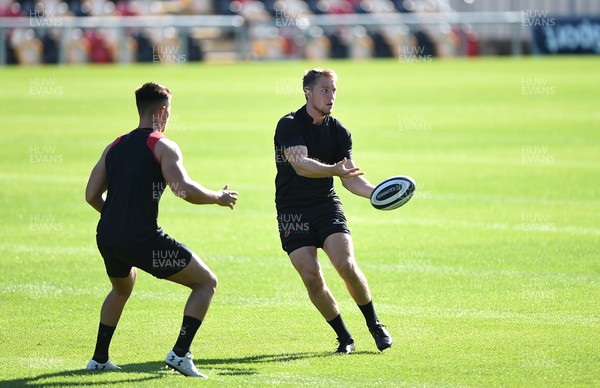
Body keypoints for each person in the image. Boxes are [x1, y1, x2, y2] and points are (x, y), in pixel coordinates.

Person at [85, 82, 238, 377]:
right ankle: (180, 354)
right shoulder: (162, 145)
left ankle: (99, 359)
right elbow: (183, 189)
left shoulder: (115, 145)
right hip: (140, 238)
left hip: (108, 235)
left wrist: (118, 218)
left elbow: (91, 195)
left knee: (121, 288)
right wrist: (217, 197)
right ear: (163, 112)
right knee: (206, 282)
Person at [274, 69, 392, 354]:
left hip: (325, 205)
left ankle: (375, 324)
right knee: (312, 277)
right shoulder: (289, 124)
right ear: (308, 93)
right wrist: (334, 170)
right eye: (324, 90)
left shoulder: (339, 131)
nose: (331, 96)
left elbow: (350, 178)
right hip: (292, 211)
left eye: (333, 90)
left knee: (346, 265)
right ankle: (344, 337)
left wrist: (377, 193)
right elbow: (301, 164)